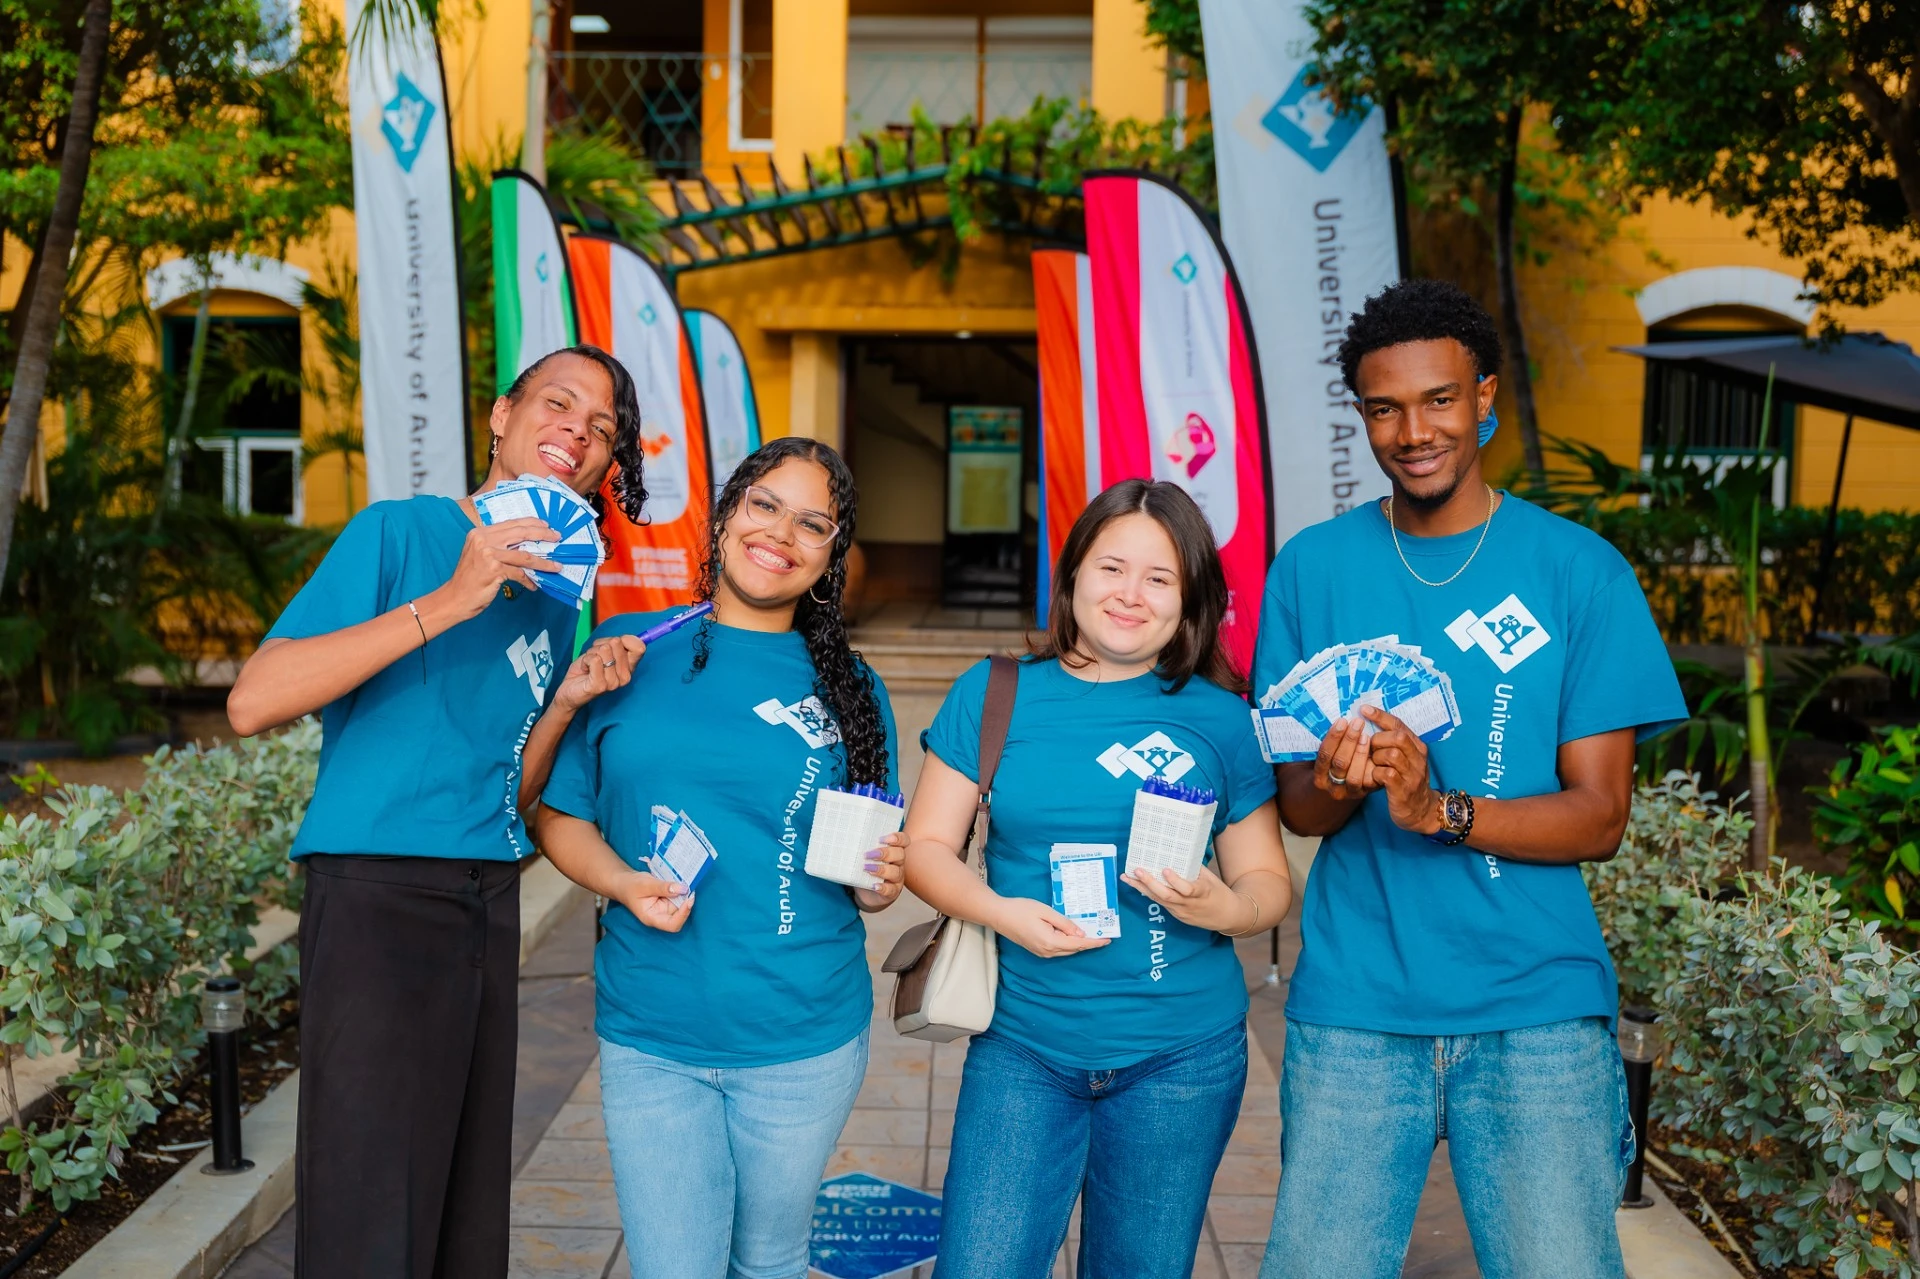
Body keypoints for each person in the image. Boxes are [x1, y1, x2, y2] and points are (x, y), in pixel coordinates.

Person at [1253, 279, 1687, 1279]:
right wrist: (1342, 779)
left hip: (1537, 1008)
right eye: (1384, 407)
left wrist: (1437, 807)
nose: (1414, 430)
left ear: (1484, 397)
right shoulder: (1311, 568)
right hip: (1357, 1006)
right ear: (1362, 416)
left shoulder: (1580, 571)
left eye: (1439, 399)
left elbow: (1600, 815)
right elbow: (1301, 808)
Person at [226, 345, 664, 1278]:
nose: (577, 434)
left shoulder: (553, 602)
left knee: (463, 1200)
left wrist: (567, 702)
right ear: (500, 417)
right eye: (557, 405)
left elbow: (512, 794)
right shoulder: (401, 532)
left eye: (601, 430)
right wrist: (450, 600)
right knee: (367, 1194)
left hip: (483, 899)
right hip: (377, 893)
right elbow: (254, 698)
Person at [533, 436, 906, 1279]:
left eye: (814, 524)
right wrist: (625, 883)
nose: (781, 533)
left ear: (830, 556)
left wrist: (883, 881)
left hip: (802, 1035)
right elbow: (561, 817)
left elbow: (871, 866)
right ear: (729, 511)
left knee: (771, 1261)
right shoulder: (629, 650)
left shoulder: (852, 685)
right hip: (653, 1032)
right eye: (765, 504)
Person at [902, 479, 1292, 1279]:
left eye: (1159, 578)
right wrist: (1002, 912)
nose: (1130, 594)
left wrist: (1226, 902)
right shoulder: (997, 690)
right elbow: (925, 849)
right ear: (1073, 572)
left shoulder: (1221, 716)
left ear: (1189, 602)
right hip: (1024, 1047)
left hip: (1182, 1057)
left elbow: (1268, 882)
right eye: (1112, 567)